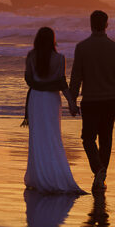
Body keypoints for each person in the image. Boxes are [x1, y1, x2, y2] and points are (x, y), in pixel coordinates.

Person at [69, 9, 115, 192]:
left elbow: (76, 77)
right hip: (109, 101)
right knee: (106, 139)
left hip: (90, 100)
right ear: (107, 24)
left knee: (88, 138)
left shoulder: (82, 47)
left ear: (90, 24)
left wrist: (72, 100)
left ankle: (98, 171)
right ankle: (101, 175)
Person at [23, 26, 85, 194]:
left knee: (37, 137)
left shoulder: (31, 56)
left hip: (36, 98)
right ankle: (52, 175)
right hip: (51, 100)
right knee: (52, 136)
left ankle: (37, 178)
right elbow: (61, 83)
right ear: (52, 40)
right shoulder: (59, 58)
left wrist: (40, 85)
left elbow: (28, 79)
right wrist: (71, 103)